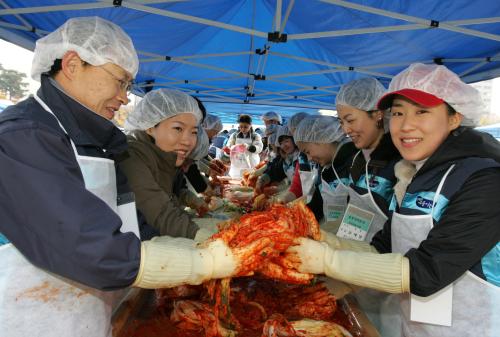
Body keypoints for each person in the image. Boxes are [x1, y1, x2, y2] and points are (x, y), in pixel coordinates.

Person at [0, 17, 267, 337]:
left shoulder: (98, 142)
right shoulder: (25, 136)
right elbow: (91, 247)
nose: (126, 97)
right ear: (72, 64)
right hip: (26, 320)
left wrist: (210, 242)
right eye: (121, 81)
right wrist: (205, 262)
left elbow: (137, 228)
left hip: (87, 316)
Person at [286, 63, 500, 337]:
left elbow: (427, 271)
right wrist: (331, 243)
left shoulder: (484, 180)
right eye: (398, 112)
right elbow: (383, 247)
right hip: (412, 325)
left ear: (454, 117)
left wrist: (329, 261)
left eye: (422, 111)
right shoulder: (413, 175)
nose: (406, 124)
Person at [121, 89, 212, 240]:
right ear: (150, 126)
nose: (188, 141)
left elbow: (172, 198)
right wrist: (207, 238)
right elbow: (159, 212)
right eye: (178, 128)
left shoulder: (167, 156)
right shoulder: (131, 154)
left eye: (194, 132)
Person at [335, 77, 400, 242]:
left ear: (378, 114)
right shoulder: (356, 158)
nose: (345, 129)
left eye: (350, 120)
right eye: (341, 122)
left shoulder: (398, 160)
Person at [292, 115, 357, 232]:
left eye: (308, 151)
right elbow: (318, 203)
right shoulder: (326, 167)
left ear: (322, 139)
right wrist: (296, 220)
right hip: (332, 236)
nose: (309, 158)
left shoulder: (354, 162)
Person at [255, 125, 301, 194]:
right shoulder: (287, 158)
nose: (283, 145)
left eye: (286, 141)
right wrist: (262, 180)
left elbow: (300, 185)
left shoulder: (301, 158)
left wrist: (280, 190)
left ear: (294, 140)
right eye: (281, 143)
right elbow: (275, 171)